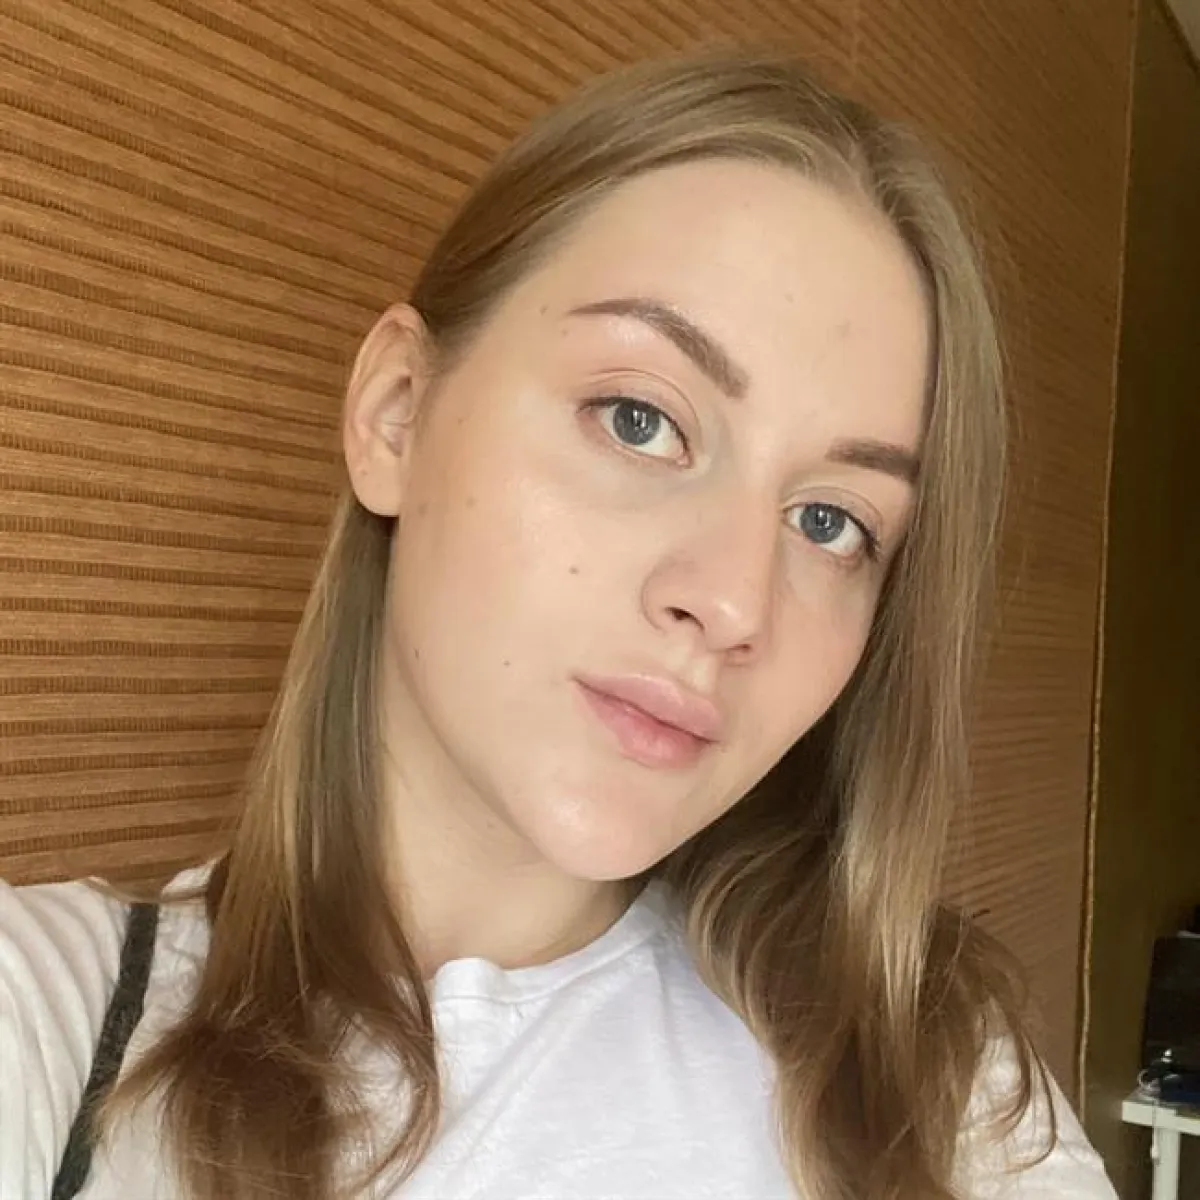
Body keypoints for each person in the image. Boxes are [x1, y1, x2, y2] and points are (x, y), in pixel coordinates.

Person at [0, 50, 1116, 1200]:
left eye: (830, 522)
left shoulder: (933, 1088)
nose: (733, 602)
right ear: (397, 415)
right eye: (639, 419)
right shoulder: (59, 1027)